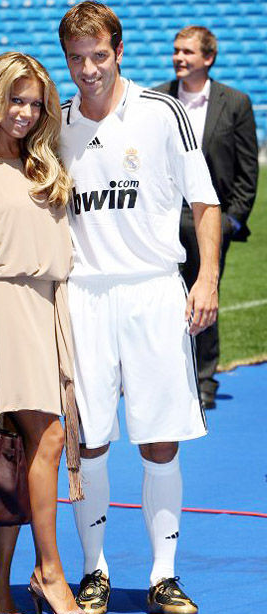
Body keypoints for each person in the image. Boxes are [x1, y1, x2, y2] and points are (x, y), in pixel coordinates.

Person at [58, 2, 221, 614]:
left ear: (119, 52)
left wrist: (206, 278)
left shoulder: (162, 113)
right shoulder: (57, 123)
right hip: (84, 296)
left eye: (99, 55)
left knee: (159, 441)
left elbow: (204, 202)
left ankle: (163, 576)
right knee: (88, 442)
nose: (88, 69)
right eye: (76, 58)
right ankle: (93, 572)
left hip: (154, 292)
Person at [0, 51, 93, 614]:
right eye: (15, 100)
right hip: (3, 304)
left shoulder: (43, 164)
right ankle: (50, 571)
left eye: (34, 103)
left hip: (50, 305)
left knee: (18, 448)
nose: (25, 112)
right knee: (48, 437)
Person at [155, 25, 259, 409]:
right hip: (165, 217)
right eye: (176, 50)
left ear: (208, 58)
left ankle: (203, 381)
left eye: (188, 52)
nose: (179, 57)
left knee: (204, 296)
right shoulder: (158, 100)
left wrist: (232, 221)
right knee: (162, 298)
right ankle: (166, 376)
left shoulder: (236, 103)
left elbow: (248, 171)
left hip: (211, 219)